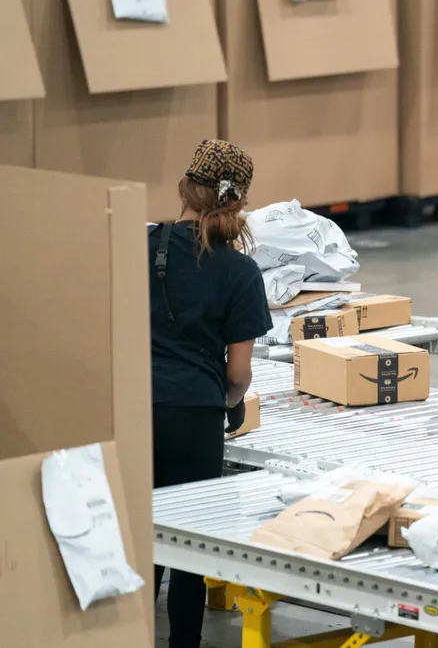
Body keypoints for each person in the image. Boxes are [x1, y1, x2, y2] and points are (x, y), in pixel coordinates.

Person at [149, 139, 271, 648]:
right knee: (187, 549)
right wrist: (230, 404)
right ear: (238, 202)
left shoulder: (142, 244)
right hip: (195, 417)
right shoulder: (241, 272)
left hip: (132, 410)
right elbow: (238, 373)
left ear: (186, 187)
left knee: (141, 539)